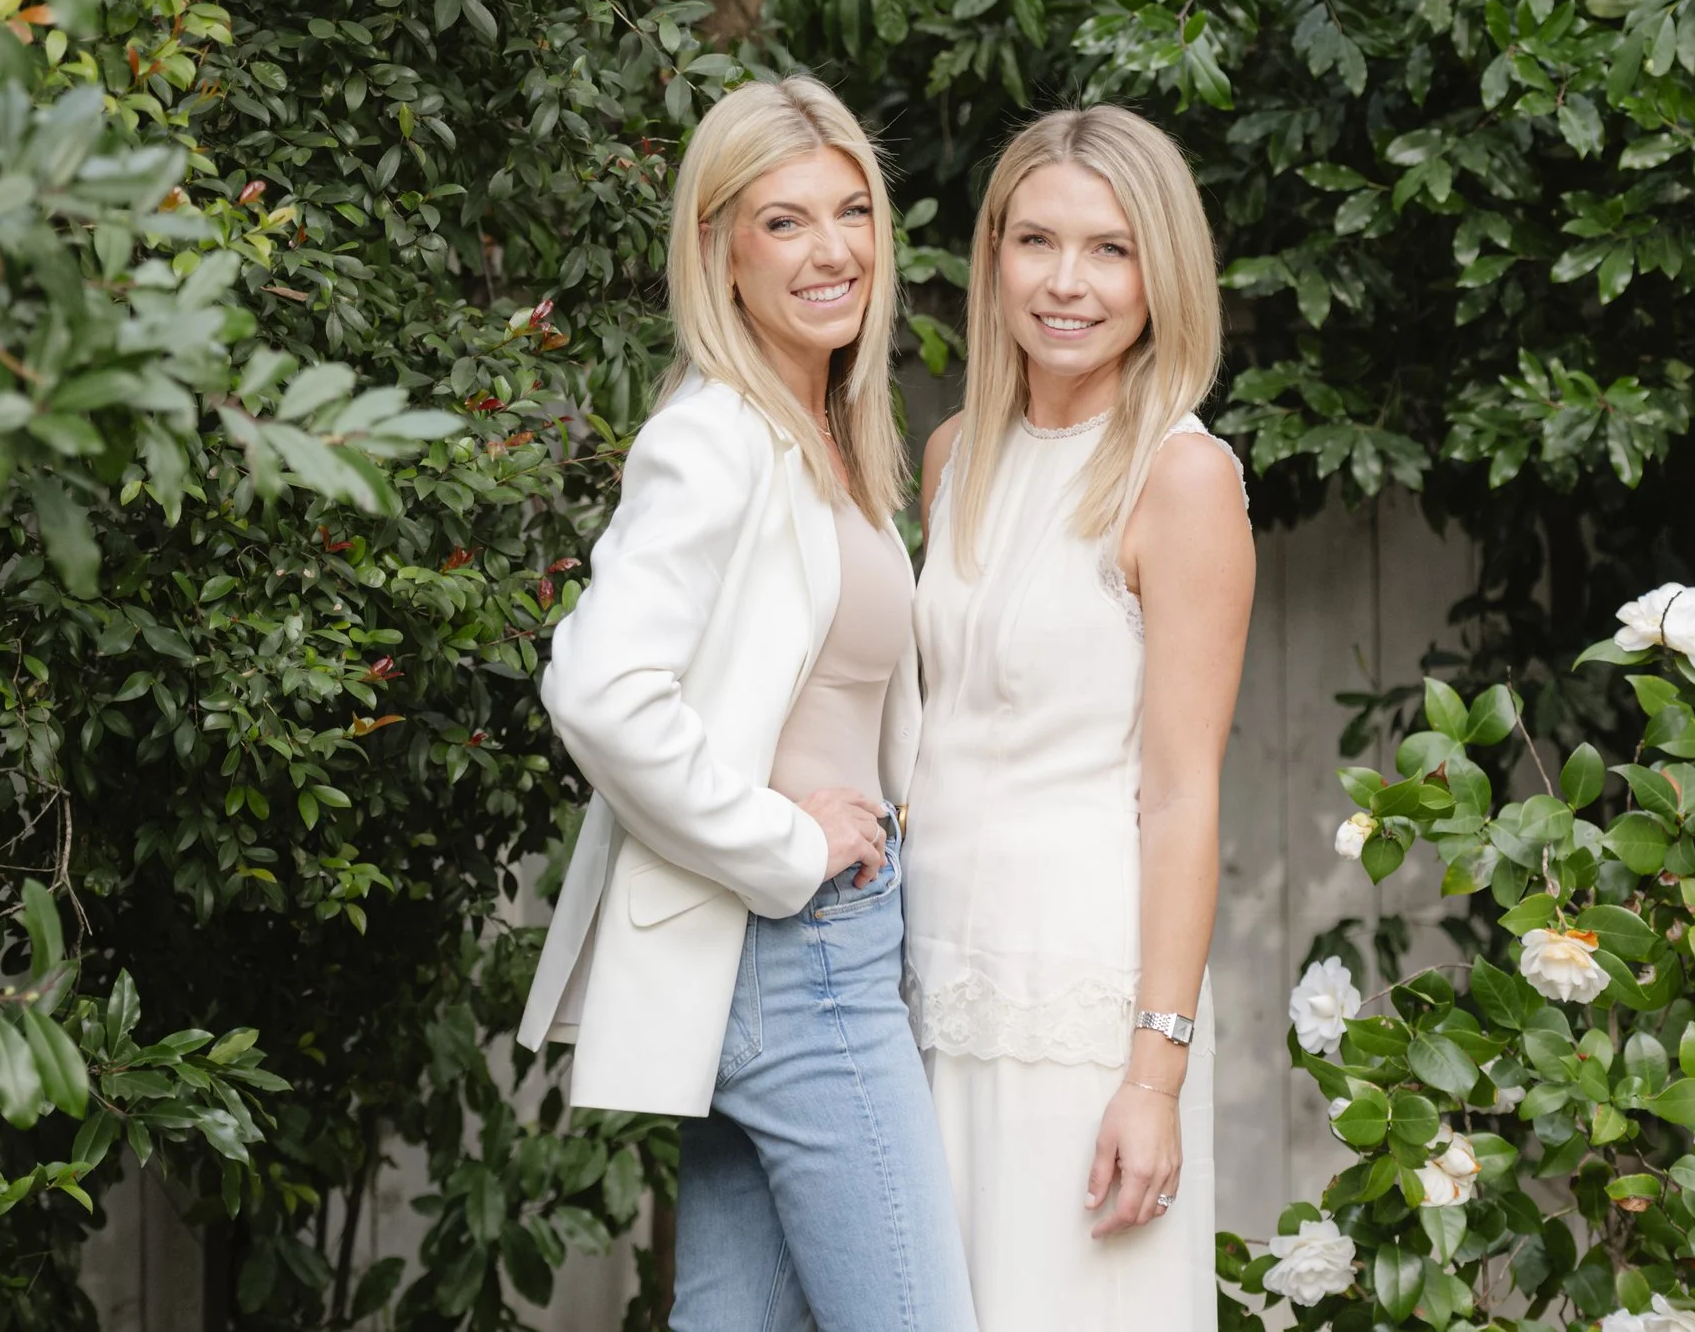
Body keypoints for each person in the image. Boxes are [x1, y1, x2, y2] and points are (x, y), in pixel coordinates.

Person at [519, 78, 977, 1332]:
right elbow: (597, 689)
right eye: (784, 222)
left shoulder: (820, 431)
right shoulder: (715, 435)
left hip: (802, 945)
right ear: (719, 252)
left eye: (851, 212)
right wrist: (782, 840)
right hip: (799, 948)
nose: (832, 251)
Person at [906, 104, 1255, 1330]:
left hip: (1081, 1011)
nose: (1066, 282)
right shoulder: (954, 455)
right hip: (925, 987)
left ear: (1163, 276)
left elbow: (1183, 795)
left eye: (1110, 249)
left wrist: (1152, 1075)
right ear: (992, 255)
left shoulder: (1181, 475)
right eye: (1036, 241)